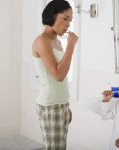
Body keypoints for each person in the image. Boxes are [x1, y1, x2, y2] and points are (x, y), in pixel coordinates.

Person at [32, 0, 78, 149]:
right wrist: (71, 46)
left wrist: (66, 105)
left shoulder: (56, 41)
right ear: (52, 16)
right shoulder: (42, 41)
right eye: (65, 18)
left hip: (61, 104)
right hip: (51, 105)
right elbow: (58, 76)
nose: (68, 24)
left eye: (70, 20)